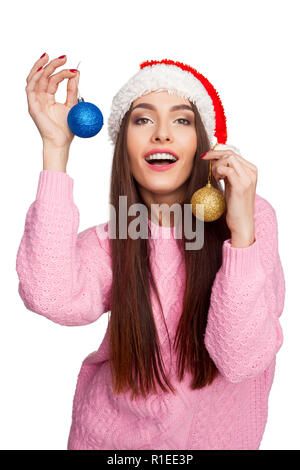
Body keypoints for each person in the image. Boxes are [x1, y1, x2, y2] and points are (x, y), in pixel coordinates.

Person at [16, 53, 286, 450]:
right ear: (124, 145)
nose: (162, 133)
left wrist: (240, 232)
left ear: (203, 145)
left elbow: (240, 359)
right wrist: (55, 151)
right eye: (143, 119)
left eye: (181, 119)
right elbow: (48, 294)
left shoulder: (251, 222)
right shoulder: (113, 241)